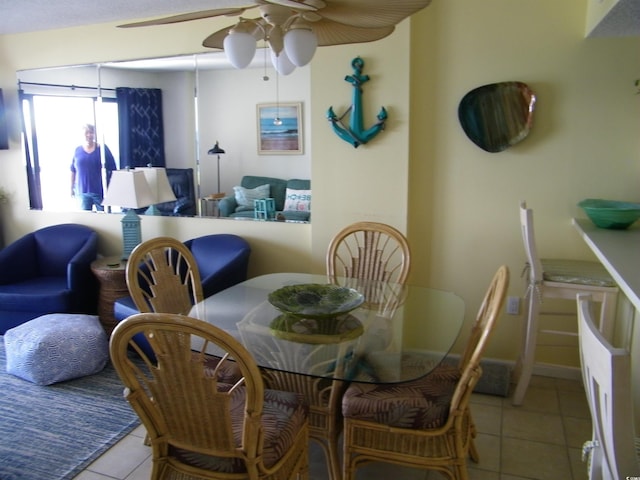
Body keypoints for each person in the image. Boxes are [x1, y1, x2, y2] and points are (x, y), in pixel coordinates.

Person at [70, 123, 116, 211]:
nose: (89, 135)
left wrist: (112, 188)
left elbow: (113, 169)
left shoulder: (103, 148)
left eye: (91, 132)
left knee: (105, 217)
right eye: (86, 133)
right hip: (82, 192)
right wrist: (71, 188)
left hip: (101, 192)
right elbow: (73, 171)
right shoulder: (77, 150)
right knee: (86, 219)